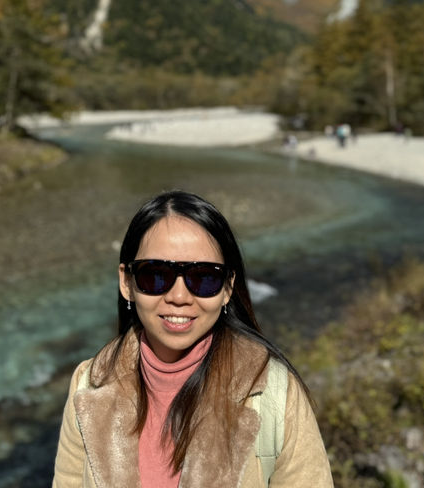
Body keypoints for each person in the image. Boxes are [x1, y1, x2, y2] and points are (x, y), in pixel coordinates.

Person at [52, 190, 333, 487]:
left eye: (204, 278)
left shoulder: (273, 393)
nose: (178, 297)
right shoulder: (88, 386)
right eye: (155, 275)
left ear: (227, 288)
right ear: (126, 282)